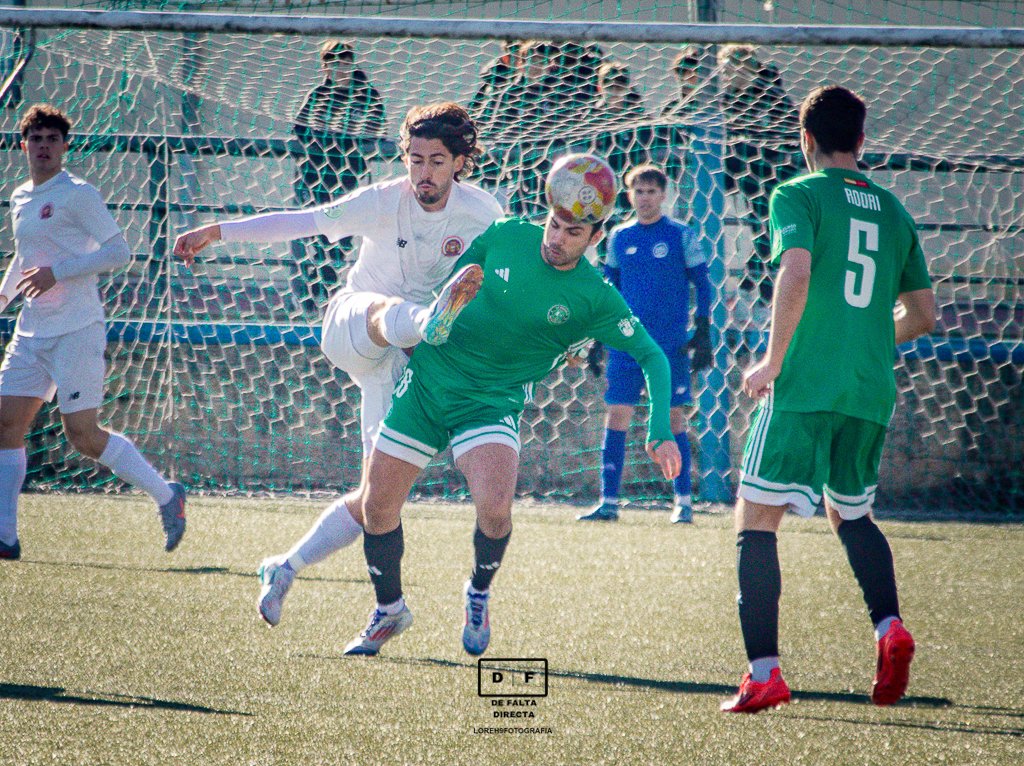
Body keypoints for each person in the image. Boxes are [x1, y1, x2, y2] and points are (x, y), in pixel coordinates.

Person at [336, 154, 682, 658]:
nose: (556, 238)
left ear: (595, 238)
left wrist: (659, 430)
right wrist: (436, 314)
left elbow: (652, 354)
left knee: (495, 513)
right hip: (431, 383)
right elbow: (445, 293)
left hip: (490, 403)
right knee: (376, 507)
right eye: (554, 223)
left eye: (571, 233)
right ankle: (389, 609)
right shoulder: (506, 234)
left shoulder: (596, 298)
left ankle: (478, 591)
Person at [173, 102, 503, 627]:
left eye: (437, 161)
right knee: (390, 311)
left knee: (378, 499)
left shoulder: (485, 213)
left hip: (397, 364)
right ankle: (425, 320)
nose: (424, 172)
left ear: (461, 162)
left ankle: (285, 567)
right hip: (353, 325)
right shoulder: (381, 200)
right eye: (415, 159)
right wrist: (218, 231)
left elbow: (520, 266)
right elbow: (303, 222)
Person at [720, 86, 935, 713]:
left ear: (805, 139)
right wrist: (866, 335)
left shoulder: (798, 192)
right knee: (853, 516)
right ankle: (889, 628)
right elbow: (923, 313)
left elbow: (797, 269)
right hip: (868, 392)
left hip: (805, 386)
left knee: (755, 519)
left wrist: (773, 359)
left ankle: (764, 673)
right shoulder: (894, 211)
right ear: (862, 141)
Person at [0, 104, 186, 561]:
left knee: (82, 436)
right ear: (24, 146)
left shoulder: (79, 194)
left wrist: (58, 272)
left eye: (52, 139)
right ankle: (5, 535)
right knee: (5, 423)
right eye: (36, 139)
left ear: (65, 146)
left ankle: (167, 496)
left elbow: (119, 251)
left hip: (77, 331)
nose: (43, 147)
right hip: (31, 332)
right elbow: (24, 261)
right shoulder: (20, 197)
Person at [577, 165, 713, 524]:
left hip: (669, 345)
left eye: (652, 191)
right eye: (639, 191)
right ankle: (609, 502)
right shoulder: (619, 237)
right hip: (625, 344)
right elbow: (607, 291)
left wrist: (702, 329)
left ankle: (683, 501)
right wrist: (596, 339)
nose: (645, 198)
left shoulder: (681, 235)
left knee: (672, 419)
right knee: (617, 414)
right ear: (629, 194)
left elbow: (703, 283)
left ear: (663, 195)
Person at [292, 40, 387, 312]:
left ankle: (326, 294)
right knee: (315, 236)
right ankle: (311, 299)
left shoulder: (367, 95)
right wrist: (320, 144)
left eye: (344, 61)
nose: (339, 67)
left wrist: (347, 144)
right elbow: (299, 129)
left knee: (340, 237)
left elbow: (375, 129)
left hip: (347, 178)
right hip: (316, 177)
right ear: (325, 66)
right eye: (332, 62)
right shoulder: (319, 95)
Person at [717, 44, 803, 302]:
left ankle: (759, 292)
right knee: (760, 232)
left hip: (771, 178)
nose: (727, 77)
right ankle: (753, 290)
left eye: (730, 70)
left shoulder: (772, 98)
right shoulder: (726, 100)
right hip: (743, 177)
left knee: (768, 232)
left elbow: (791, 134)